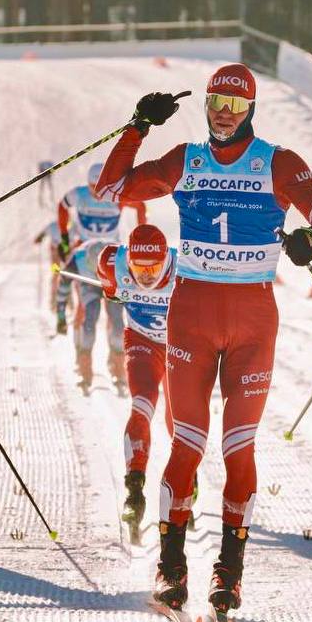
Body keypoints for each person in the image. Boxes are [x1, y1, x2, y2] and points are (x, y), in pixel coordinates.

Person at [95, 63, 312, 618]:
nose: (224, 114)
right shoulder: (187, 160)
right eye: (216, 103)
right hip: (193, 317)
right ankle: (171, 568)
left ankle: (229, 575)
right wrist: (137, 127)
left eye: (235, 105)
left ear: (251, 109)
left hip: (255, 320)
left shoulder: (279, 163)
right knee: (187, 441)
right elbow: (110, 188)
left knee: (239, 447)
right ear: (205, 105)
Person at [95, 224, 178, 541]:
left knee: (178, 417)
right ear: (127, 258)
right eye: (138, 267)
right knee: (142, 405)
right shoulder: (110, 262)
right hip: (142, 341)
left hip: (179, 347)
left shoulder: (186, 264)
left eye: (154, 268)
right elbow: (111, 290)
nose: (145, 276)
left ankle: (186, 476)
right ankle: (134, 489)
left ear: (165, 261)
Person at [55, 237, 125, 392]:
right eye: (95, 272)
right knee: (89, 319)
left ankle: (119, 370)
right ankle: (85, 371)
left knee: (118, 323)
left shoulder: (122, 257)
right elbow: (62, 289)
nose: (98, 275)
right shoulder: (76, 260)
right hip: (90, 286)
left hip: (114, 282)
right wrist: (60, 316)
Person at [56, 162, 147, 259]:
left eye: (102, 187)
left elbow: (140, 206)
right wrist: (64, 238)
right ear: (88, 183)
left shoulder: (117, 195)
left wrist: (141, 237)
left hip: (111, 246)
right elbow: (63, 206)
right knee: (65, 260)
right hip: (84, 245)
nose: (98, 192)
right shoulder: (79, 194)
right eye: (93, 187)